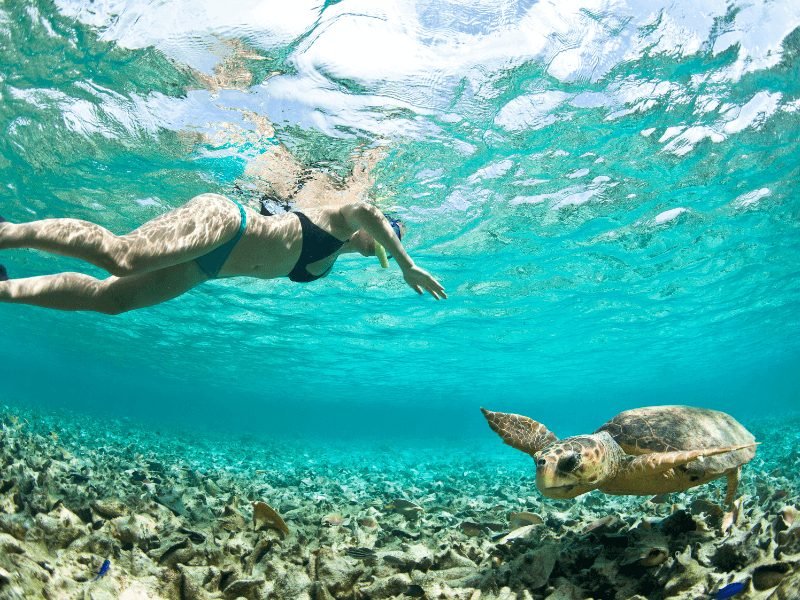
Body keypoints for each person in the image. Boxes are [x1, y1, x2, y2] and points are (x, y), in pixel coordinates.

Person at [0, 195, 446, 314]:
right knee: (123, 256)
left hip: (205, 269)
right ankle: (7, 232)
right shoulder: (341, 218)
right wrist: (406, 264)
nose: (393, 236)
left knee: (112, 300)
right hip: (226, 221)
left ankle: (3, 289)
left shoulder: (336, 257)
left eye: (398, 234)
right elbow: (367, 210)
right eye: (395, 229)